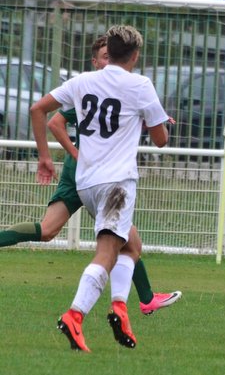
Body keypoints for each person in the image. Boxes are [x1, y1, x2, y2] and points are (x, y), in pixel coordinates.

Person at [0, 36, 182, 316]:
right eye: (104, 56)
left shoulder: (109, 88)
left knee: (52, 230)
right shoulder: (91, 89)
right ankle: (135, 301)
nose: (110, 61)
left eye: (112, 55)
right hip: (94, 173)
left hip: (92, 172)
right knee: (121, 239)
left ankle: (146, 298)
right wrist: (73, 153)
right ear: (95, 62)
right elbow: (55, 120)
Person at [31, 25, 170, 352]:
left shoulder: (82, 81)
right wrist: (152, 120)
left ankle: (120, 308)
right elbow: (161, 139)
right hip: (117, 183)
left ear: (110, 49)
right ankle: (75, 315)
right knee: (108, 253)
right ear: (135, 55)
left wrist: (44, 157)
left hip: (86, 181)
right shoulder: (140, 85)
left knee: (131, 245)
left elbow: (39, 109)